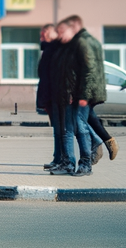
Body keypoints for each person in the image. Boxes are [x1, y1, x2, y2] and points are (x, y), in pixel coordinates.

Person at [55, 16, 105, 176]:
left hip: (79, 97)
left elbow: (88, 71)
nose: (59, 35)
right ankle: (69, 164)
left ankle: (86, 163)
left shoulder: (81, 44)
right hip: (68, 95)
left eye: (61, 31)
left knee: (81, 128)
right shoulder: (69, 47)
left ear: (72, 28)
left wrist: (83, 96)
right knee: (67, 130)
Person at [37, 25, 65, 171]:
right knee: (57, 129)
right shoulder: (48, 49)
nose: (42, 35)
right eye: (42, 33)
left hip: (57, 95)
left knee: (62, 130)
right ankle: (57, 158)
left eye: (46, 32)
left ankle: (63, 160)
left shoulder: (56, 49)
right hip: (50, 96)